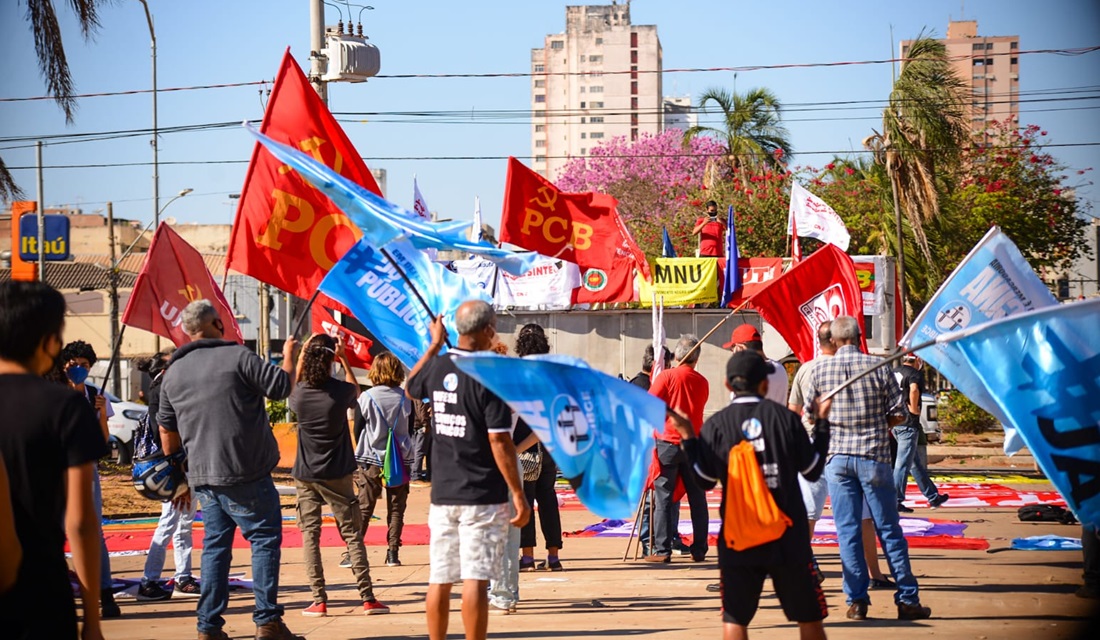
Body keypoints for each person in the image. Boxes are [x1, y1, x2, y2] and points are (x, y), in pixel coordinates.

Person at [158, 299, 303, 640]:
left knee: (215, 547)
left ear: (188, 332)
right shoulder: (238, 356)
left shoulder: (173, 372)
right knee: (264, 540)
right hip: (246, 471)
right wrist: (289, 355)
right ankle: (267, 622)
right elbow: (281, 387)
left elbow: (166, 429)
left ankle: (208, 626)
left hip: (203, 476)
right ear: (217, 324)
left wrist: (181, 473)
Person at [680, 350, 832, 640]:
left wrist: (689, 439)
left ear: (728, 386)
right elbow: (812, 471)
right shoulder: (786, 420)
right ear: (765, 384)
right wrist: (822, 423)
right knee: (809, 618)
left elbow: (703, 481)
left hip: (739, 539)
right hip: (788, 537)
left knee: (735, 620)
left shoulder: (717, 425)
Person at [405, 300, 530, 640]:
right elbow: (499, 442)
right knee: (475, 578)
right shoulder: (491, 376)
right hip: (482, 494)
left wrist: (432, 345)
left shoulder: (438, 366)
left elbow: (411, 386)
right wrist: (518, 493)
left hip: (443, 492)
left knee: (441, 577)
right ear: (488, 331)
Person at [0, 280, 108, 640]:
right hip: (40, 589)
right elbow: (80, 522)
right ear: (49, 341)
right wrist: (91, 621)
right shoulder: (65, 407)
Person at [806, 315, 931, 621]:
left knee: (847, 530)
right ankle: (907, 598)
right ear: (860, 337)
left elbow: (813, 416)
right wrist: (877, 425)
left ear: (834, 340)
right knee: (888, 529)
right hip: (873, 457)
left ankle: (857, 600)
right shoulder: (878, 369)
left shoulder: (819, 370)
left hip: (837, 460)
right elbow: (899, 413)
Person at [291, 333, 389, 617]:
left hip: (305, 474)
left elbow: (293, 382)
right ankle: (367, 598)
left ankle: (318, 599)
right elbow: (358, 393)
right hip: (338, 472)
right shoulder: (340, 391)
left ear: (308, 358)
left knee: (310, 535)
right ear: (332, 357)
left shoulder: (299, 393)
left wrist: (301, 355)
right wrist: (345, 359)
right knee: (352, 535)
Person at [60, 339, 121, 619]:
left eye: (85, 366)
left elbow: (103, 441)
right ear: (64, 367)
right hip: (56, 472)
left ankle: (105, 593)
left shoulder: (95, 395)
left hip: (87, 471)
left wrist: (101, 416)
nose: (79, 370)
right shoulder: (55, 395)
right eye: (74, 365)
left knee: (94, 533)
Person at [136, 348, 202, 602]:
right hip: (173, 470)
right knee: (169, 524)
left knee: (182, 524)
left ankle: (183, 577)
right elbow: (166, 433)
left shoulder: (163, 390)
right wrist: (180, 480)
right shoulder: (162, 392)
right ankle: (148, 581)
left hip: (181, 467)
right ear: (164, 371)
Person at [647, 334, 711, 563]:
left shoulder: (667, 377)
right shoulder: (702, 381)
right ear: (696, 359)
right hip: (693, 443)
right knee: (697, 498)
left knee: (663, 497)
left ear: (677, 356)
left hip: (668, 442)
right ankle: (700, 547)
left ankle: (662, 550)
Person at [354, 351, 413, 570]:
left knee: (365, 506)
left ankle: (355, 553)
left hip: (371, 458)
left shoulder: (366, 398)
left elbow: (357, 429)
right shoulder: (406, 397)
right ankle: (392, 553)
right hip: (401, 459)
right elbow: (411, 427)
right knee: (397, 507)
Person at [788, 321, 836, 583]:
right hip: (846, 447)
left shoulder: (806, 369)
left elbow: (794, 412)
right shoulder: (855, 368)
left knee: (808, 513)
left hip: (811, 449)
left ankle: (804, 561)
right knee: (856, 516)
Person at [515, 324, 564, 573]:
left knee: (524, 501)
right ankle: (553, 556)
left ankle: (527, 557)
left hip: (525, 448)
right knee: (548, 499)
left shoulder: (518, 375)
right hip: (549, 448)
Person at [892, 355, 948, 512]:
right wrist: (914, 408)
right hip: (908, 424)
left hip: (895, 422)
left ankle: (933, 496)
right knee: (903, 463)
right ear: (917, 361)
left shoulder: (894, 372)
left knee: (915, 464)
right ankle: (896, 499)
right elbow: (914, 389)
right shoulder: (914, 374)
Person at [724, 323, 788, 405]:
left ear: (740, 348)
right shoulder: (779, 368)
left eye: (732, 348)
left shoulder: (748, 372)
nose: (733, 352)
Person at [410, 398, 433, 484]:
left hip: (415, 424)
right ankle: (416, 475)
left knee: (417, 450)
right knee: (419, 451)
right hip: (421, 426)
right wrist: (425, 424)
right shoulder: (422, 395)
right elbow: (422, 409)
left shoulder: (413, 392)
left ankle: (421, 474)